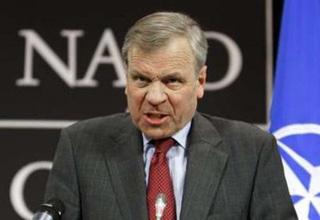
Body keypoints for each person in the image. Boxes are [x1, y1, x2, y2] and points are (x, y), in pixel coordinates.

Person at [44, 12, 297, 219]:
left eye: (172, 81)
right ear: (126, 79)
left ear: (200, 82)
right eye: (141, 79)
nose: (154, 97)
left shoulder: (251, 151)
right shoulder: (80, 146)